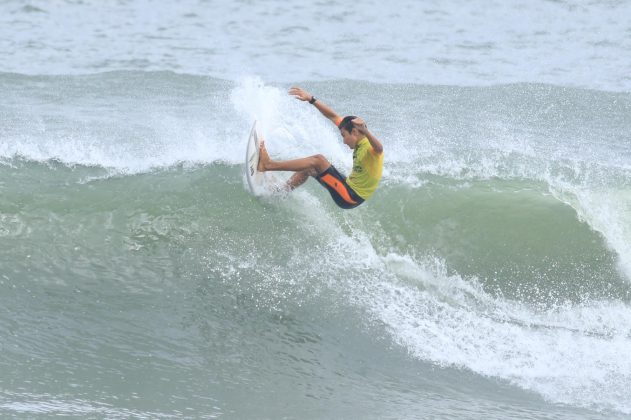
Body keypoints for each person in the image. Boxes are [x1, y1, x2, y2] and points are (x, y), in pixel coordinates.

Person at [257, 87, 384, 209]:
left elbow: (379, 148)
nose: (344, 141)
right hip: (347, 186)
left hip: (350, 197)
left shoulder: (371, 148)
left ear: (355, 132)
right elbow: (333, 116)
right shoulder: (357, 137)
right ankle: (280, 193)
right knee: (309, 168)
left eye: (344, 136)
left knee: (319, 160)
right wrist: (311, 99)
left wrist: (365, 131)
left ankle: (268, 165)